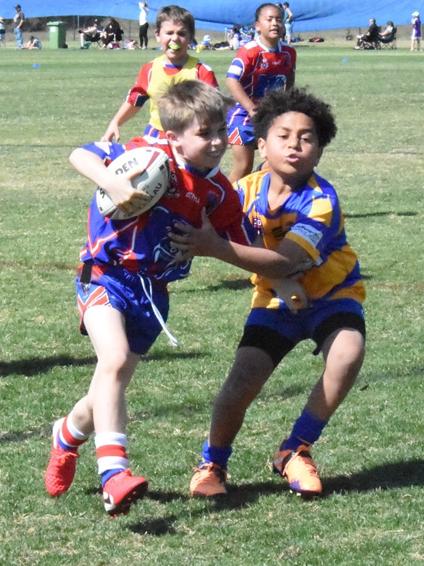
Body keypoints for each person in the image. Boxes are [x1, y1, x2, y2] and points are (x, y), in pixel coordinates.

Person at [43, 80, 256, 516]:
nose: (217, 142)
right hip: (105, 275)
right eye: (205, 133)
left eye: (221, 130)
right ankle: (113, 474)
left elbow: (243, 244)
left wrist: (217, 246)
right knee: (115, 361)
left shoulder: (217, 191)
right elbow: (80, 155)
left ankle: (66, 435)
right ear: (174, 135)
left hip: (154, 295)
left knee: (109, 384)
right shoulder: (147, 155)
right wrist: (113, 183)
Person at [169, 87, 366, 498]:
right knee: (240, 384)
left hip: (332, 294)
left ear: (320, 151)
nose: (295, 144)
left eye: (307, 137)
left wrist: (216, 247)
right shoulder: (242, 191)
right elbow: (201, 215)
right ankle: (213, 463)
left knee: (347, 353)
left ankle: (295, 448)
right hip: (275, 300)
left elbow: (286, 262)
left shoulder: (320, 201)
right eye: (284, 135)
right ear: (261, 143)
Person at [102, 5, 218, 144]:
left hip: (190, 140)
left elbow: (215, 109)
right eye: (169, 33)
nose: (175, 38)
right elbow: (134, 100)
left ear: (191, 37)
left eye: (181, 33)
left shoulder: (201, 71)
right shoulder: (150, 69)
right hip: (155, 137)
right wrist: (115, 122)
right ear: (158, 35)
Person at [226, 3, 296, 183]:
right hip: (243, 117)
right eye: (269, 19)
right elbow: (231, 80)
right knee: (243, 167)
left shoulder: (289, 52)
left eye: (279, 20)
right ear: (257, 25)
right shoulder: (249, 51)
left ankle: (255, 192)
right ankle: (225, 205)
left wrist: (285, 104)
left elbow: (289, 77)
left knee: (277, 163)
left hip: (271, 115)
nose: (275, 24)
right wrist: (250, 108)